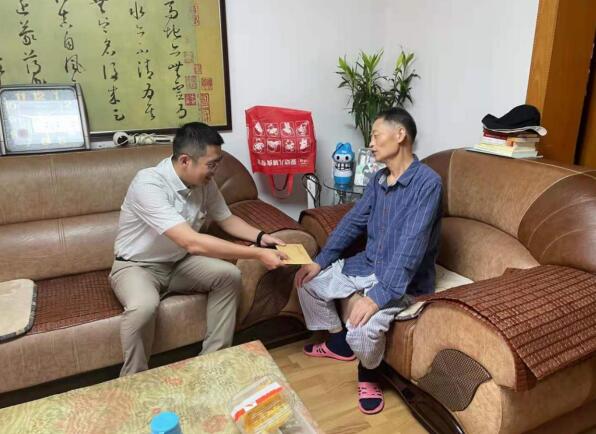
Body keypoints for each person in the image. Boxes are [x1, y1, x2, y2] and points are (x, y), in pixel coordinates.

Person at [294, 108, 442, 414]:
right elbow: (353, 222)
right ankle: (338, 344)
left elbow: (411, 247)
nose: (371, 143)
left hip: (403, 277)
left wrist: (376, 297)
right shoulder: (378, 180)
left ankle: (369, 373)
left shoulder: (428, 184)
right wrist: (321, 261)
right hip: (368, 263)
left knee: (361, 328)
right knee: (307, 282)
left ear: (400, 135)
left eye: (376, 135)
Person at [110, 122, 288, 376]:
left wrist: (261, 237)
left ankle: (213, 362)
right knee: (143, 306)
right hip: (136, 265)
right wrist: (258, 253)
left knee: (229, 276)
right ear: (185, 160)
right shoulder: (148, 184)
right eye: (211, 164)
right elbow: (191, 241)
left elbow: (226, 219)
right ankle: (133, 378)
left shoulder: (204, 183)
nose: (215, 171)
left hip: (179, 262)